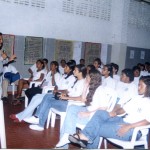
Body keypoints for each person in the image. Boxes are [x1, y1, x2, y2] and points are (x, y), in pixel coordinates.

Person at [68, 76, 150, 149]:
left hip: (134, 130)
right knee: (101, 112)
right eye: (138, 84)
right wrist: (114, 113)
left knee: (95, 127)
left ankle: (85, 137)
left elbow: (147, 121)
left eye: (140, 85)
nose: (138, 87)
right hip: (122, 121)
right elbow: (123, 109)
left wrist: (130, 126)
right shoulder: (137, 98)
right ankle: (85, 137)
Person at [55, 69, 117, 148]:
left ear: (92, 78)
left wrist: (88, 113)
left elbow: (104, 108)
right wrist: (85, 87)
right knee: (71, 108)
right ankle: (67, 134)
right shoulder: (90, 87)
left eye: (87, 76)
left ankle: (64, 144)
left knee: (68, 119)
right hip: (88, 110)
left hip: (94, 116)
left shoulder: (100, 89)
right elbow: (83, 100)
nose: (86, 77)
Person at [25, 64, 87, 131]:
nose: (73, 71)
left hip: (71, 104)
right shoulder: (77, 81)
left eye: (75, 70)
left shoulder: (83, 83)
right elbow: (68, 91)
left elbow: (81, 98)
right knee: (47, 96)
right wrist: (62, 93)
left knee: (48, 102)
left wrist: (67, 98)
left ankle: (39, 122)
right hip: (67, 100)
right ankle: (38, 119)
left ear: (80, 72)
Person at [9, 61, 76, 122]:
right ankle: (25, 116)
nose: (64, 68)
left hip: (59, 96)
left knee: (38, 98)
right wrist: (56, 88)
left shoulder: (72, 78)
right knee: (35, 97)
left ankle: (20, 116)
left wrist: (57, 90)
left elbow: (67, 91)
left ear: (70, 69)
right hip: (53, 93)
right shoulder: (64, 76)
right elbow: (57, 85)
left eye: (66, 67)